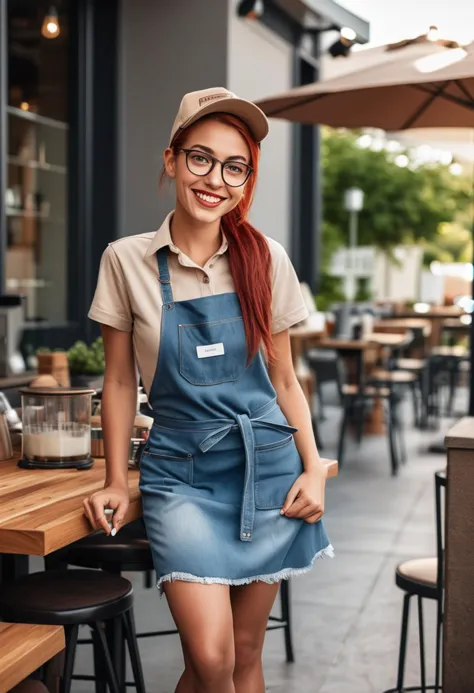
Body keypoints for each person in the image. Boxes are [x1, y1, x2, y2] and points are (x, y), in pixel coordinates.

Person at [84, 87, 333, 693]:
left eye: (234, 166)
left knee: (245, 654)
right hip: (182, 479)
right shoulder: (126, 260)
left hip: (268, 473)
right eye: (200, 158)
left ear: (246, 180)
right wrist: (117, 479)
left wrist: (314, 467)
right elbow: (119, 381)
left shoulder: (264, 258)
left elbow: (284, 380)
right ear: (171, 160)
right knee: (213, 656)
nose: (215, 179)